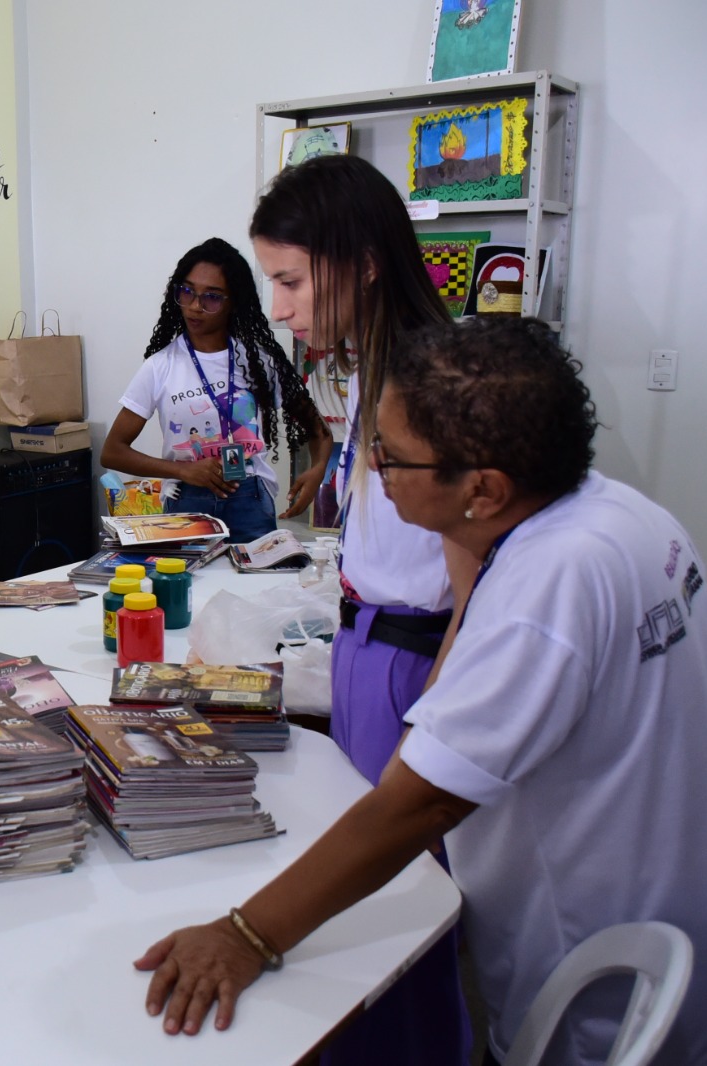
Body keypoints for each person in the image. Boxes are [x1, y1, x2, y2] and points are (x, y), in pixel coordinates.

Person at [135, 316, 707, 1066]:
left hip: (607, 987)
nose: (376, 471)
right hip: (699, 927)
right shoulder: (616, 511)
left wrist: (245, 935)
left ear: (484, 488)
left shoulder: (547, 589)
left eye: (393, 459)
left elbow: (420, 803)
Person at [248, 155, 466, 1063]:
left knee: (395, 897)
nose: (283, 308)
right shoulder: (370, 373)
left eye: (293, 281)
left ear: (366, 262)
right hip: (368, 653)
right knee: (365, 883)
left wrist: (436, 718)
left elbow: (474, 584)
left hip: (414, 668)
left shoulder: (432, 387)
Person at [101, 237, 332, 544]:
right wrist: (183, 471)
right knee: (191, 589)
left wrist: (317, 471)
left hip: (250, 498)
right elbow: (113, 451)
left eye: (211, 297)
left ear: (232, 302)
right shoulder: (161, 366)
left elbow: (318, 430)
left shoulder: (259, 362)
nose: (195, 306)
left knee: (255, 590)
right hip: (186, 503)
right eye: (187, 292)